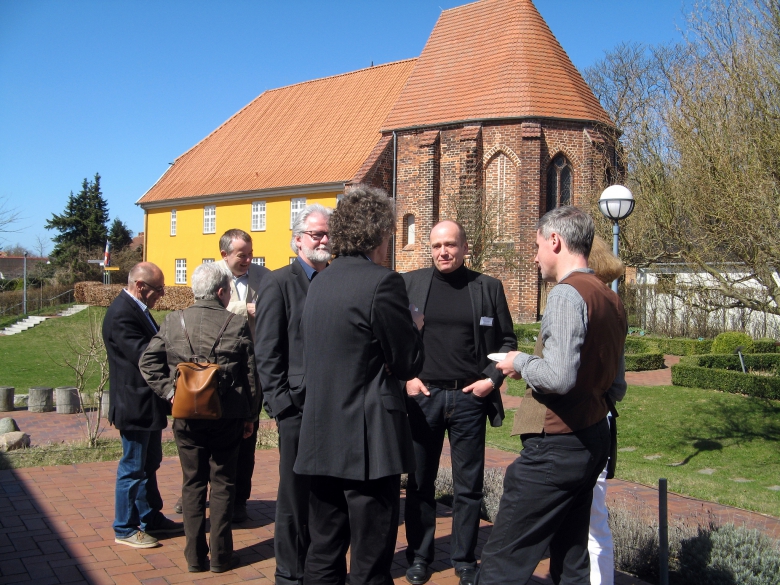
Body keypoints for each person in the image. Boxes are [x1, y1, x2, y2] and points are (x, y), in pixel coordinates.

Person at [477, 206, 627, 585]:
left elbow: (558, 377)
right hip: (593, 440)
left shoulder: (566, 294)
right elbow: (618, 386)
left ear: (555, 241)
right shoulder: (610, 298)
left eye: (537, 245)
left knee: (502, 562)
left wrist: (519, 360)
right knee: (572, 556)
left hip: (557, 447)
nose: (534, 255)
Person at [294, 186, 425, 585]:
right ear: (377, 233)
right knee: (370, 560)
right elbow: (407, 362)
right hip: (367, 444)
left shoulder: (319, 282)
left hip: (319, 436)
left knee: (323, 551)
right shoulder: (383, 283)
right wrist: (415, 326)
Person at [402, 220, 516, 585]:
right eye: (436, 246)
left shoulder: (487, 288)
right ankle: (419, 556)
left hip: (470, 397)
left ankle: (464, 558)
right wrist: (407, 378)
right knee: (420, 482)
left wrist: (491, 379)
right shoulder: (410, 285)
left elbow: (508, 342)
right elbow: (391, 338)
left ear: (466, 248)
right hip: (425, 397)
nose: (443, 252)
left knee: (469, 484)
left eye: (450, 245)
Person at [139, 262, 259, 573]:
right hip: (228, 415)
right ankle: (221, 557)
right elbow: (251, 375)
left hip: (186, 417)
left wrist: (170, 393)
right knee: (223, 484)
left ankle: (194, 558)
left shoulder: (173, 321)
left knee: (192, 483)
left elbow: (147, 362)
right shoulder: (236, 323)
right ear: (221, 291)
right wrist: (251, 414)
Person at [255, 203, 332, 585]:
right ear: (297, 239)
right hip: (296, 408)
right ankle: (289, 569)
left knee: (327, 491)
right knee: (294, 491)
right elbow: (267, 349)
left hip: (336, 406)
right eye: (316, 233)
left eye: (327, 234)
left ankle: (320, 564)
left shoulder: (337, 280)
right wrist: (281, 405)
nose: (323, 240)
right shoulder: (278, 282)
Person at [103, 262, 183, 549]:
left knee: (150, 463)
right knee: (133, 468)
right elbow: (144, 355)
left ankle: (150, 518)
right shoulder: (121, 314)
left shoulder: (138, 309)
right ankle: (125, 527)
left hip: (147, 404)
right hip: (133, 404)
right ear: (140, 286)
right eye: (158, 289)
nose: (160, 295)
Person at [214, 228, 270, 522]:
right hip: (218, 369)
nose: (248, 259)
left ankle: (239, 500)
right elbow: (203, 309)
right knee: (215, 436)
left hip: (253, 367)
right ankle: (208, 496)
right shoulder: (209, 275)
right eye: (241, 255)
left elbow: (275, 308)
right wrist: (242, 308)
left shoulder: (264, 276)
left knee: (248, 435)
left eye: (250, 253)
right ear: (224, 255)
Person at [584, 235, 627, 585]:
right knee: (595, 519)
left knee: (591, 518)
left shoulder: (588, 302)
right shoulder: (614, 303)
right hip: (603, 416)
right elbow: (620, 386)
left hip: (587, 421)